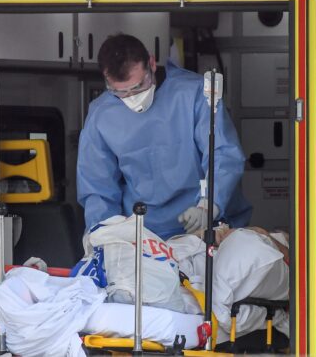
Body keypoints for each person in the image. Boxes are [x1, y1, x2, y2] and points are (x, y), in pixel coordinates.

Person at [77, 33, 251, 239]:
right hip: (141, 234)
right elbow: (97, 185)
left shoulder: (194, 93)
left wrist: (209, 205)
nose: (133, 99)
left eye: (138, 86)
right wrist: (102, 233)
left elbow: (222, 154)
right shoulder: (101, 113)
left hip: (203, 227)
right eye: (120, 93)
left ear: (151, 63)